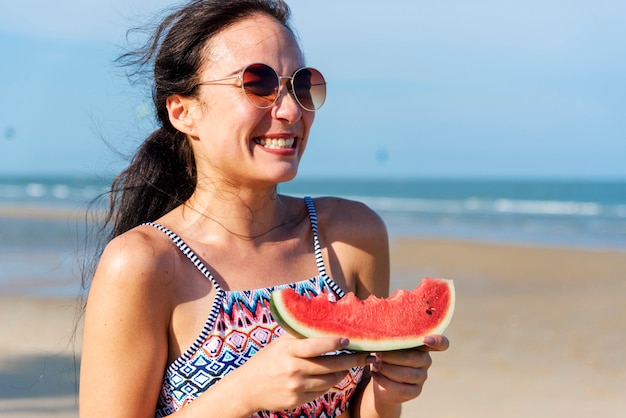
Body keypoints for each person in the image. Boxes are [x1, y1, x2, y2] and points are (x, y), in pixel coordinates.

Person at [79, 0, 450, 416]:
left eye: (301, 85)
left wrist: (388, 391)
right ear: (183, 112)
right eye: (258, 84)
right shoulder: (143, 263)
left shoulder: (351, 236)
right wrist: (242, 393)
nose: (291, 109)